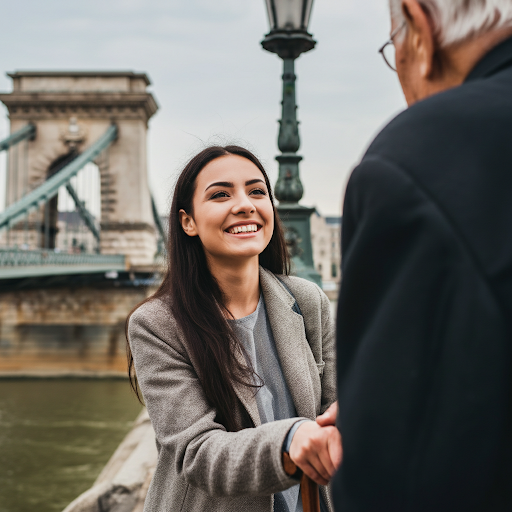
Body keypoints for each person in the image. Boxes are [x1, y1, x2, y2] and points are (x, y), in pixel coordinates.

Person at [326, 1, 512, 510]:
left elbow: (396, 483)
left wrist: (384, 412)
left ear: (422, 27)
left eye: (395, 50)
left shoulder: (416, 161)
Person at [126, 146, 341, 512]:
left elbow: (334, 405)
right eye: (221, 194)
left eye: (257, 191)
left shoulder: (308, 302)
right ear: (187, 222)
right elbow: (197, 452)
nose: (245, 204)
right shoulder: (156, 325)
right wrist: (289, 440)